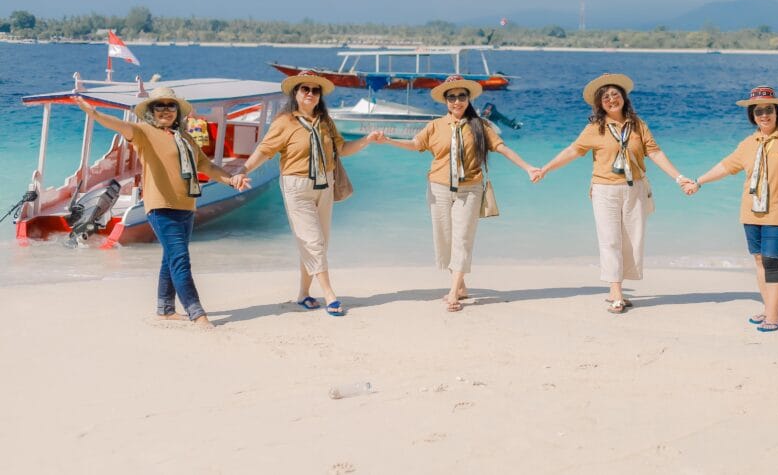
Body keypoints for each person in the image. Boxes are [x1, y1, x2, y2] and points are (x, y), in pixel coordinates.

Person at [75, 87, 249, 327]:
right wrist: (94, 113)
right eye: (160, 106)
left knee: (170, 258)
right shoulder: (143, 133)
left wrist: (231, 179)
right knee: (180, 258)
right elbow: (120, 126)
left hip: (186, 206)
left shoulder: (184, 138)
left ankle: (165, 309)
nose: (166, 110)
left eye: (171, 105)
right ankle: (196, 313)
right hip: (161, 207)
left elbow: (206, 166)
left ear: (177, 111)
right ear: (151, 111)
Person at [372, 75, 540, 312]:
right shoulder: (435, 126)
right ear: (445, 101)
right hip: (438, 188)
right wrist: (388, 140)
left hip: (470, 189)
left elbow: (501, 148)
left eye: (461, 96)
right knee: (445, 239)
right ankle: (460, 286)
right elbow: (415, 144)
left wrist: (528, 167)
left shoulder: (480, 125)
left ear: (468, 99)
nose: (457, 101)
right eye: (452, 97)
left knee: (462, 238)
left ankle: (453, 293)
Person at [536, 74, 691, 314]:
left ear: (624, 98)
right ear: (599, 104)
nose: (611, 99)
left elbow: (656, 152)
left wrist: (679, 178)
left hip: (635, 188)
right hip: (604, 190)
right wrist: (545, 168)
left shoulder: (638, 125)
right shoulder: (594, 128)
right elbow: (573, 151)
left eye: (615, 94)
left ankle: (617, 285)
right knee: (610, 240)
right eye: (605, 97)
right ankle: (616, 291)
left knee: (632, 240)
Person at [684, 86, 778, 332]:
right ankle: (767, 308)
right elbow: (726, 166)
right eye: (759, 111)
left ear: (777, 112)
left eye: (769, 110)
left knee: (773, 261)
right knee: (760, 260)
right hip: (751, 212)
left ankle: (773, 315)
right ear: (752, 115)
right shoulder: (748, 144)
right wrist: (698, 181)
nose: (764, 115)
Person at [239, 71, 374, 317]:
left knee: (318, 243)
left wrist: (367, 140)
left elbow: (341, 149)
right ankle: (329, 294)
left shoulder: (325, 121)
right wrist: (243, 169)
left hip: (325, 184)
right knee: (313, 242)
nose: (310, 94)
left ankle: (303, 294)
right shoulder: (284, 121)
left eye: (315, 90)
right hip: (297, 187)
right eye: (305, 89)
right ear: (296, 93)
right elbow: (265, 150)